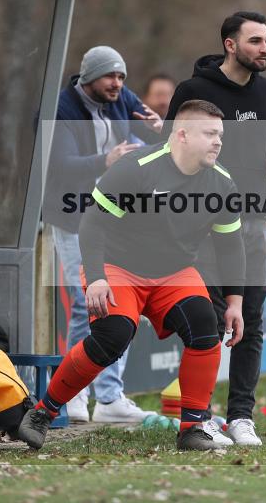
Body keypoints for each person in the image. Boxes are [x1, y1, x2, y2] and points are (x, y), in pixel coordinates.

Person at [19, 100, 246, 451]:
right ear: (182, 135)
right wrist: (96, 277)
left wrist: (235, 303)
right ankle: (42, 412)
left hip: (174, 272)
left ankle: (192, 428)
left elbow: (231, 246)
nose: (218, 141)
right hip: (116, 266)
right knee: (113, 334)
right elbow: (92, 223)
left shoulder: (222, 183)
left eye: (220, 135)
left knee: (206, 324)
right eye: (210, 134)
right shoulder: (136, 168)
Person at [163, 11, 266, 446]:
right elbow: (171, 153)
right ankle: (203, 415)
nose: (265, 49)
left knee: (250, 321)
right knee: (208, 321)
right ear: (230, 45)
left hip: (253, 223)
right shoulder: (192, 92)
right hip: (201, 227)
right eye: (256, 41)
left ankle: (241, 417)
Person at [43, 45, 162, 423]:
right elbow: (60, 166)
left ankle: (109, 399)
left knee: (119, 300)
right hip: (74, 217)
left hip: (118, 216)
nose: (118, 83)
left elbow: (151, 132)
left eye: (122, 76)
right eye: (110, 76)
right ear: (89, 77)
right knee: (85, 301)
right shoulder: (63, 108)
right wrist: (104, 161)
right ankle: (75, 394)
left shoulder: (121, 97)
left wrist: (159, 128)